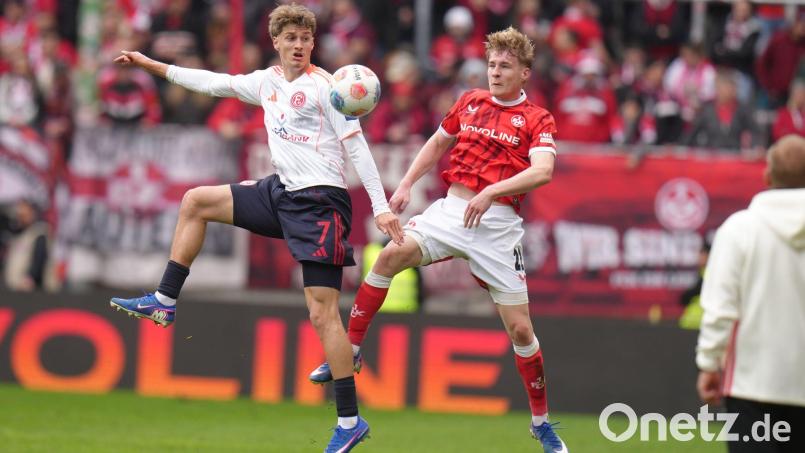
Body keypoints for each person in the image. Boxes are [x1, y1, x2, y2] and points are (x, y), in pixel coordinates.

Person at [108, 4, 403, 452]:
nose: (300, 46)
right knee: (196, 201)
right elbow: (211, 82)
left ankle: (349, 422)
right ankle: (165, 301)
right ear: (277, 42)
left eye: (306, 38)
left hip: (320, 203)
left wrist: (380, 207)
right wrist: (150, 64)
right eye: (291, 38)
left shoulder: (329, 88)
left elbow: (357, 148)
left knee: (323, 315)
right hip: (280, 193)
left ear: (312, 42)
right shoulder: (265, 81)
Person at [309, 26, 568, 452]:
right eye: (491, 64)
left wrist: (492, 192)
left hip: (498, 226)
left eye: (505, 66)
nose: (496, 72)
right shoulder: (469, 103)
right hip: (452, 210)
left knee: (521, 330)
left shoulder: (538, 118)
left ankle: (540, 423)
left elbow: (543, 171)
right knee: (390, 256)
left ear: (524, 73)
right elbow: (436, 143)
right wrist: (408, 182)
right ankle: (352, 348)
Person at [696, 134, 805, 452]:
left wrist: (708, 364)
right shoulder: (740, 228)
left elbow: (720, 309)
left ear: (767, 176)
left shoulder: (739, 229)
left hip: (751, 384)